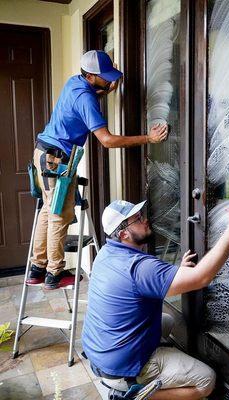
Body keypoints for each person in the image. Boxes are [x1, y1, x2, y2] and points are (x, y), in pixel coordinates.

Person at [82, 197, 229, 399]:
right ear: (123, 234)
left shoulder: (106, 253)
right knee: (206, 380)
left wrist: (177, 273)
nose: (145, 219)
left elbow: (144, 282)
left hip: (100, 356)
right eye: (137, 219)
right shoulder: (140, 268)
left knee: (168, 320)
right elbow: (202, 277)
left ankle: (130, 378)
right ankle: (135, 395)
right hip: (121, 368)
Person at [27, 50, 168, 289]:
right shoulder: (86, 98)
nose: (109, 80)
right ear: (91, 76)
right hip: (57, 160)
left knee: (47, 212)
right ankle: (54, 274)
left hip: (44, 153)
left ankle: (37, 268)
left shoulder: (76, 82)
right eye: (105, 76)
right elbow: (107, 140)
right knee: (58, 215)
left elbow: (91, 96)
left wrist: (105, 89)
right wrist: (149, 139)